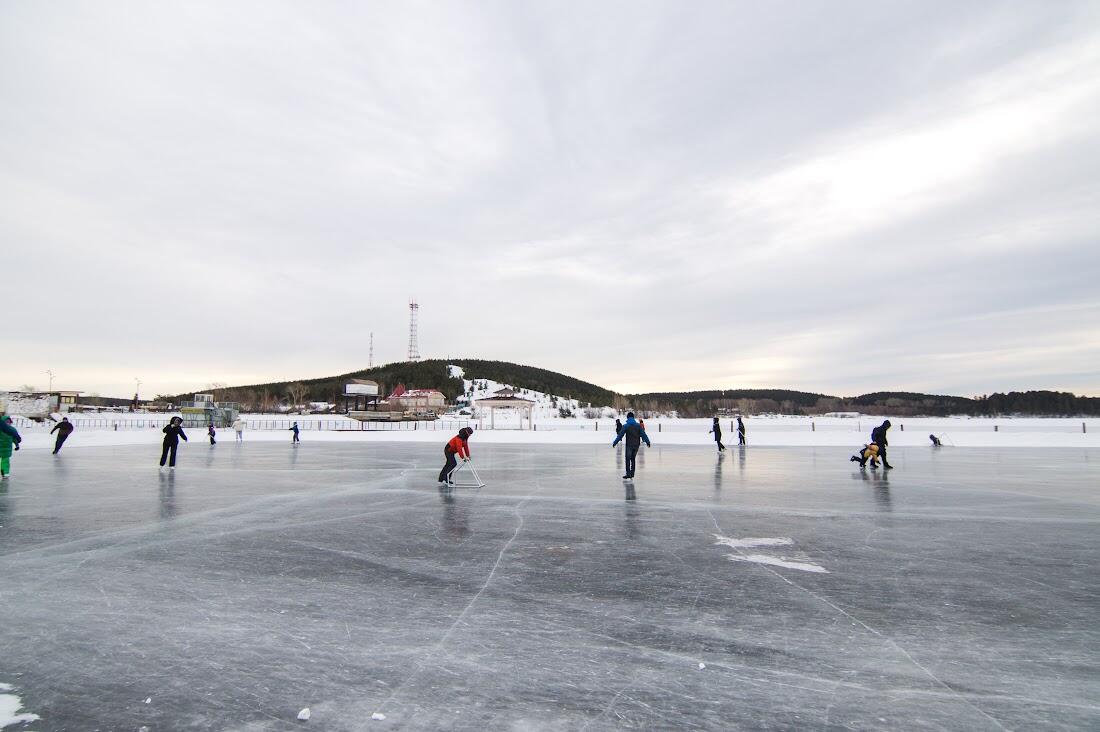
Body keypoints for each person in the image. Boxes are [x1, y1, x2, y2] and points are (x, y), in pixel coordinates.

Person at [612, 412, 651, 480]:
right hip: (636, 445)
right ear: (633, 417)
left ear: (627, 418)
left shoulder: (626, 426)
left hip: (629, 445)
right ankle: (632, 473)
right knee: (633, 459)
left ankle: (628, 474)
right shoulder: (638, 426)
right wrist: (648, 442)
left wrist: (615, 442)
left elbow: (620, 435)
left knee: (628, 459)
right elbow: (643, 434)